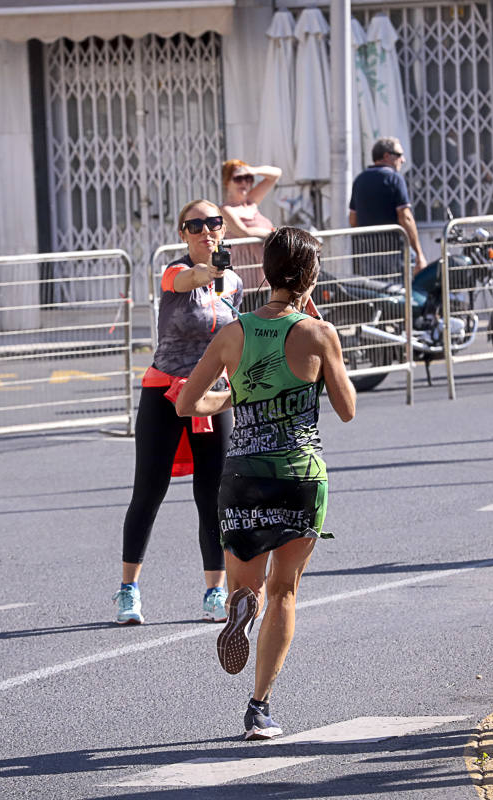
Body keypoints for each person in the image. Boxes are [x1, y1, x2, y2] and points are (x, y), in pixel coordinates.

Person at [176, 227, 356, 740]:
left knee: (248, 584)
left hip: (243, 475)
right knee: (285, 591)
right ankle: (259, 708)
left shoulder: (234, 332)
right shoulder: (319, 334)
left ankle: (239, 604)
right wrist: (322, 343)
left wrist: (241, 396)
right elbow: (347, 410)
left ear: (266, 273)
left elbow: (190, 403)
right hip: (299, 475)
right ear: (311, 277)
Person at [113, 200, 244, 625]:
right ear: (183, 233)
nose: (206, 231)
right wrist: (205, 273)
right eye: (195, 225)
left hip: (212, 395)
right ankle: (128, 590)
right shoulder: (174, 272)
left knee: (212, 495)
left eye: (214, 223)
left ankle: (214, 591)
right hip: (164, 391)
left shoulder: (236, 284)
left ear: (223, 230)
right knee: (148, 491)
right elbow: (188, 277)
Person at [349, 137, 426, 276]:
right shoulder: (394, 178)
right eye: (399, 155)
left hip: (367, 252)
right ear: (386, 156)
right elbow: (406, 218)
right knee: (401, 293)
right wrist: (419, 254)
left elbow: (353, 220)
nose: (403, 160)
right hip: (393, 251)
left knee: (375, 295)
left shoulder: (359, 180)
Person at [219, 160, 280, 295]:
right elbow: (244, 232)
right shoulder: (226, 209)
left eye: (248, 179)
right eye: (238, 179)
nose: (244, 183)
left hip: (268, 274)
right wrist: (273, 234)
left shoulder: (250, 201)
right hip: (248, 281)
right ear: (227, 182)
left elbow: (276, 174)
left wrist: (253, 170)